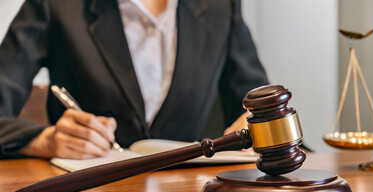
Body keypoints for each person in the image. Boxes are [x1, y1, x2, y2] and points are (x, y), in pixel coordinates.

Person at [0, 0, 268, 159]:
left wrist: (258, 124)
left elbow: (258, 106)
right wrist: (45, 141)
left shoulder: (220, 7)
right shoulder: (56, 5)